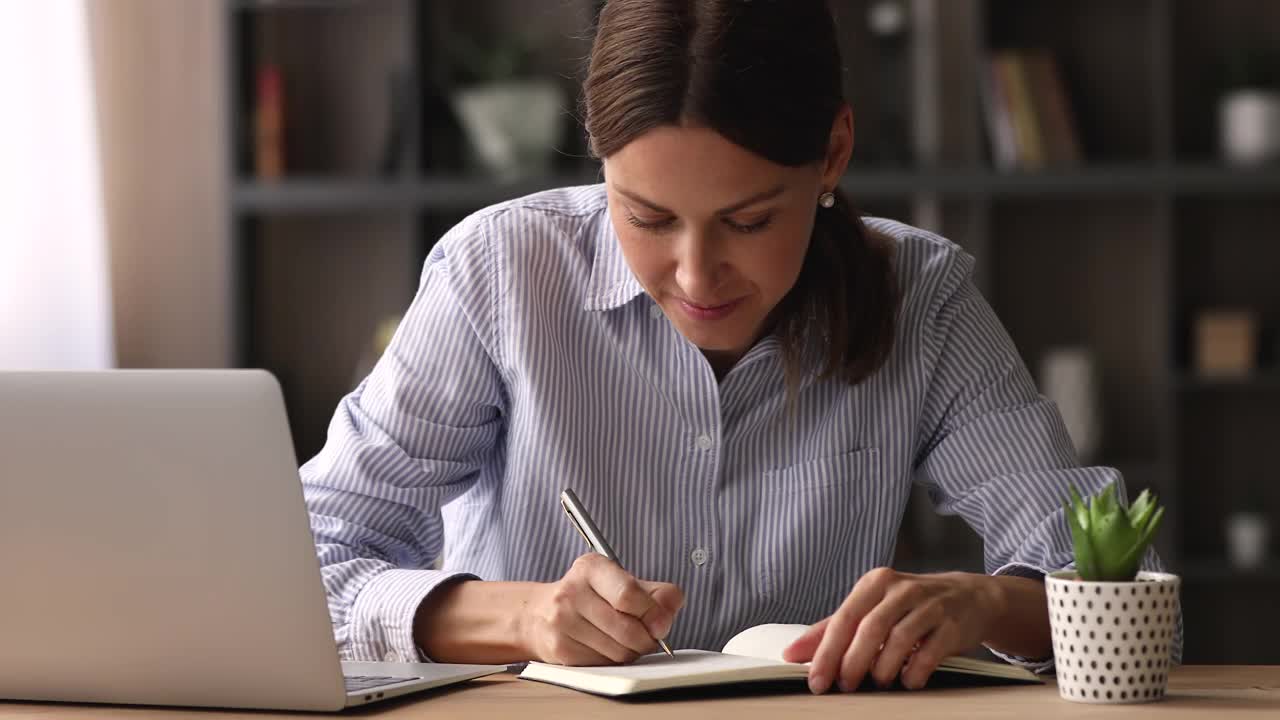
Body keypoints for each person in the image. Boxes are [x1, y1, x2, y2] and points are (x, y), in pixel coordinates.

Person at [299, 0, 1180, 694]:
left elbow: (1129, 591)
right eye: (645, 218)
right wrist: (521, 617)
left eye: (749, 220)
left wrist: (985, 601)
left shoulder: (923, 299)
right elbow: (308, 559)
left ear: (832, 154)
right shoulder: (498, 273)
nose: (695, 275)